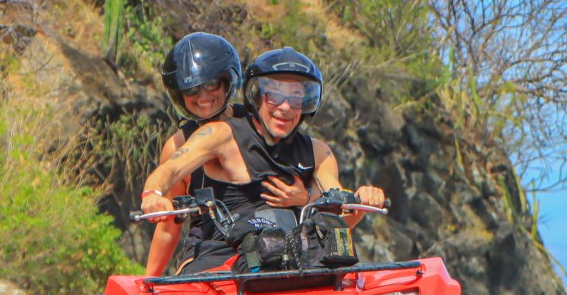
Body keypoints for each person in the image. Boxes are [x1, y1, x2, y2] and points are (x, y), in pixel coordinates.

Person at [140, 47, 386, 272]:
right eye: (275, 96)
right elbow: (171, 168)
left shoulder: (319, 153)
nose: (285, 107)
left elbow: (338, 214)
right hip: (219, 262)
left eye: (296, 98)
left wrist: (362, 201)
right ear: (257, 97)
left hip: (289, 264)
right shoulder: (220, 134)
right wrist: (152, 194)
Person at [145, 33, 308, 276]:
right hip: (209, 252)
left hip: (271, 246)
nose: (203, 97)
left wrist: (306, 197)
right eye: (192, 90)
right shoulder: (178, 145)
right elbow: (169, 224)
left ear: (227, 80)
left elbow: (304, 167)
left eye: (211, 85)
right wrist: (149, 280)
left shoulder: (258, 124)